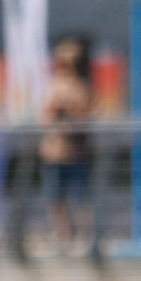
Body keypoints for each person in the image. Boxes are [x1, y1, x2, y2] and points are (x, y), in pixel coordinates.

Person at [40, 38, 96, 241]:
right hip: (55, 152)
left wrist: (70, 112)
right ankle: (61, 232)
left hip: (76, 151)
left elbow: (87, 113)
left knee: (80, 197)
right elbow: (45, 115)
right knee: (55, 197)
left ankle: (84, 233)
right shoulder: (53, 86)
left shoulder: (81, 86)